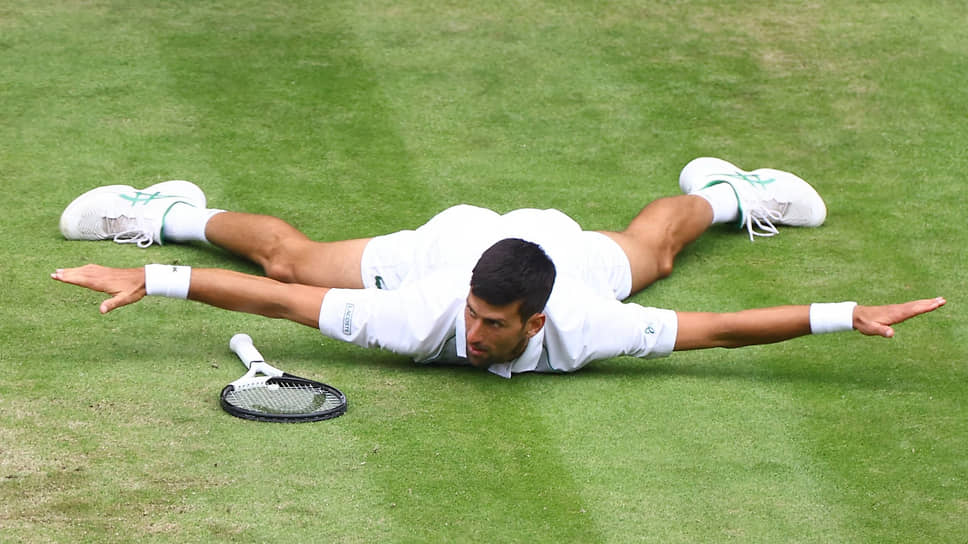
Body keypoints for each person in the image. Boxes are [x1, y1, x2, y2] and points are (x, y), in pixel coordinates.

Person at [52, 157, 945, 378]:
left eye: (490, 326)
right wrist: (160, 277)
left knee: (663, 249)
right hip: (448, 247)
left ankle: (730, 188)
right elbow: (278, 300)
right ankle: (163, 210)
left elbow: (718, 333)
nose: (472, 336)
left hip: (560, 252)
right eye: (473, 320)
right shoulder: (427, 310)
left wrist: (844, 312)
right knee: (291, 257)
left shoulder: (589, 320)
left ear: (538, 325)